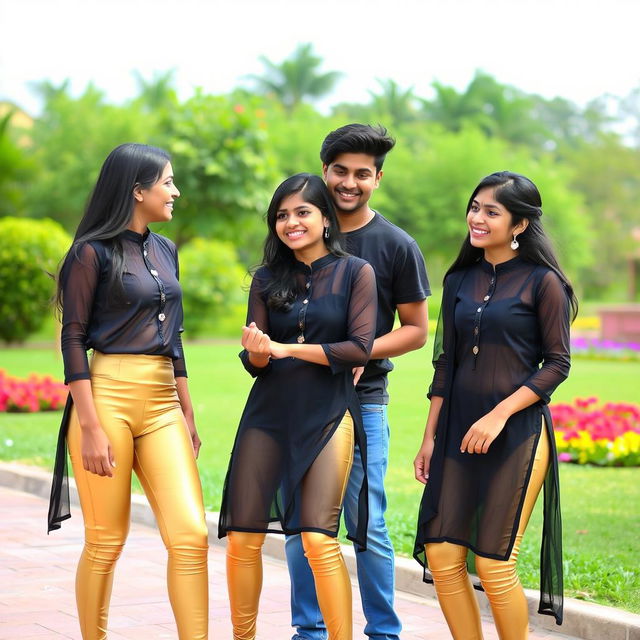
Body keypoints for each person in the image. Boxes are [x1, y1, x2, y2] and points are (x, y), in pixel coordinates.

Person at [47, 143, 209, 640]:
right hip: (107, 399)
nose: (175, 191)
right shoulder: (89, 253)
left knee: (191, 536)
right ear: (137, 190)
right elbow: (72, 337)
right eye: (167, 181)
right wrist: (90, 426)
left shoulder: (166, 250)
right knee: (105, 541)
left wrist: (187, 410)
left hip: (163, 403)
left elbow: (174, 337)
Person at [413, 171, 577, 639]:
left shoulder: (544, 283)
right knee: (444, 557)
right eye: (475, 207)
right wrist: (430, 437)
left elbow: (557, 365)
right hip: (456, 432)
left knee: (492, 561)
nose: (477, 218)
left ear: (519, 224)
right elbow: (445, 362)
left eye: (492, 211)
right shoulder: (459, 279)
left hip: (517, 434)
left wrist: (499, 414)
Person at [285, 124, 430, 640]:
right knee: (302, 526)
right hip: (297, 402)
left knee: (366, 523)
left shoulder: (395, 245)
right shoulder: (299, 230)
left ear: (378, 178)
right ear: (325, 172)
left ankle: (384, 632)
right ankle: (310, 630)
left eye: (362, 174)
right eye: (340, 171)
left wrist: (357, 352)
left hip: (361, 403)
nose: (350, 183)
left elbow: (416, 331)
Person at [218, 173, 377, 640]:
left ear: (326, 218)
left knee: (316, 537)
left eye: (302, 212)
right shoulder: (266, 278)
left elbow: (358, 348)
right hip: (268, 415)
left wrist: (286, 350)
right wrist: (260, 352)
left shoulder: (355, 273)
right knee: (243, 536)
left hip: (329, 413)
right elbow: (255, 361)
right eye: (282, 215)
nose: (291, 222)